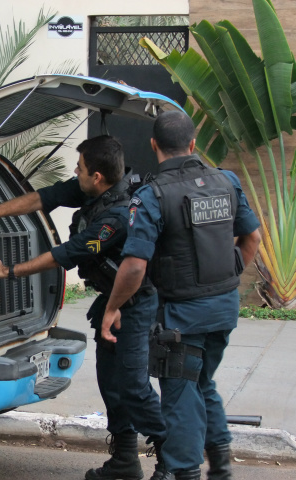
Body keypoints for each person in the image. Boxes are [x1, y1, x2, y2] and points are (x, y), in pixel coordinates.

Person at [0, 135, 171, 480]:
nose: (75, 173)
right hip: (111, 300)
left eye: (79, 168)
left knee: (134, 386)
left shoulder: (120, 216)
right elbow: (46, 197)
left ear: (97, 176)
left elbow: (73, 251)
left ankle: (173, 462)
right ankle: (126, 461)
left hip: (136, 304)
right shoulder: (95, 187)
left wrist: (7, 271)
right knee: (111, 383)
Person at [101, 111, 261, 480]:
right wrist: (230, 273)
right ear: (192, 144)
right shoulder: (227, 180)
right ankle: (220, 467)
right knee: (202, 382)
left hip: (183, 317)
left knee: (181, 395)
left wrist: (113, 306)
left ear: (154, 145)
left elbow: (136, 266)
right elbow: (252, 237)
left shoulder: (152, 196)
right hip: (224, 308)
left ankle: (182, 471)